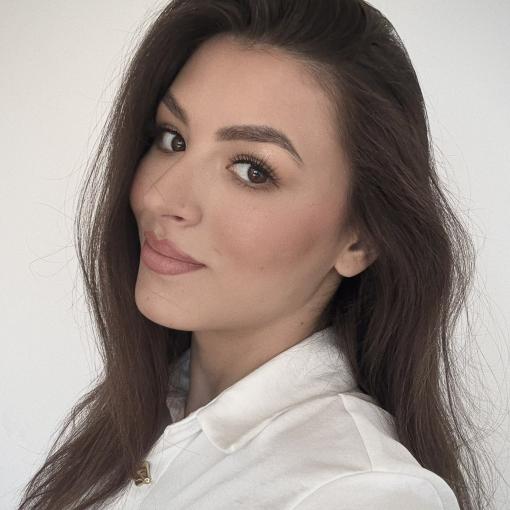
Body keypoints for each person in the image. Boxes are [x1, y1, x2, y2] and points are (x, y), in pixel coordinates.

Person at [18, 1, 494, 509]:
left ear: (360, 240)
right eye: (173, 139)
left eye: (252, 170)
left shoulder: (360, 493)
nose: (161, 196)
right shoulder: (145, 421)